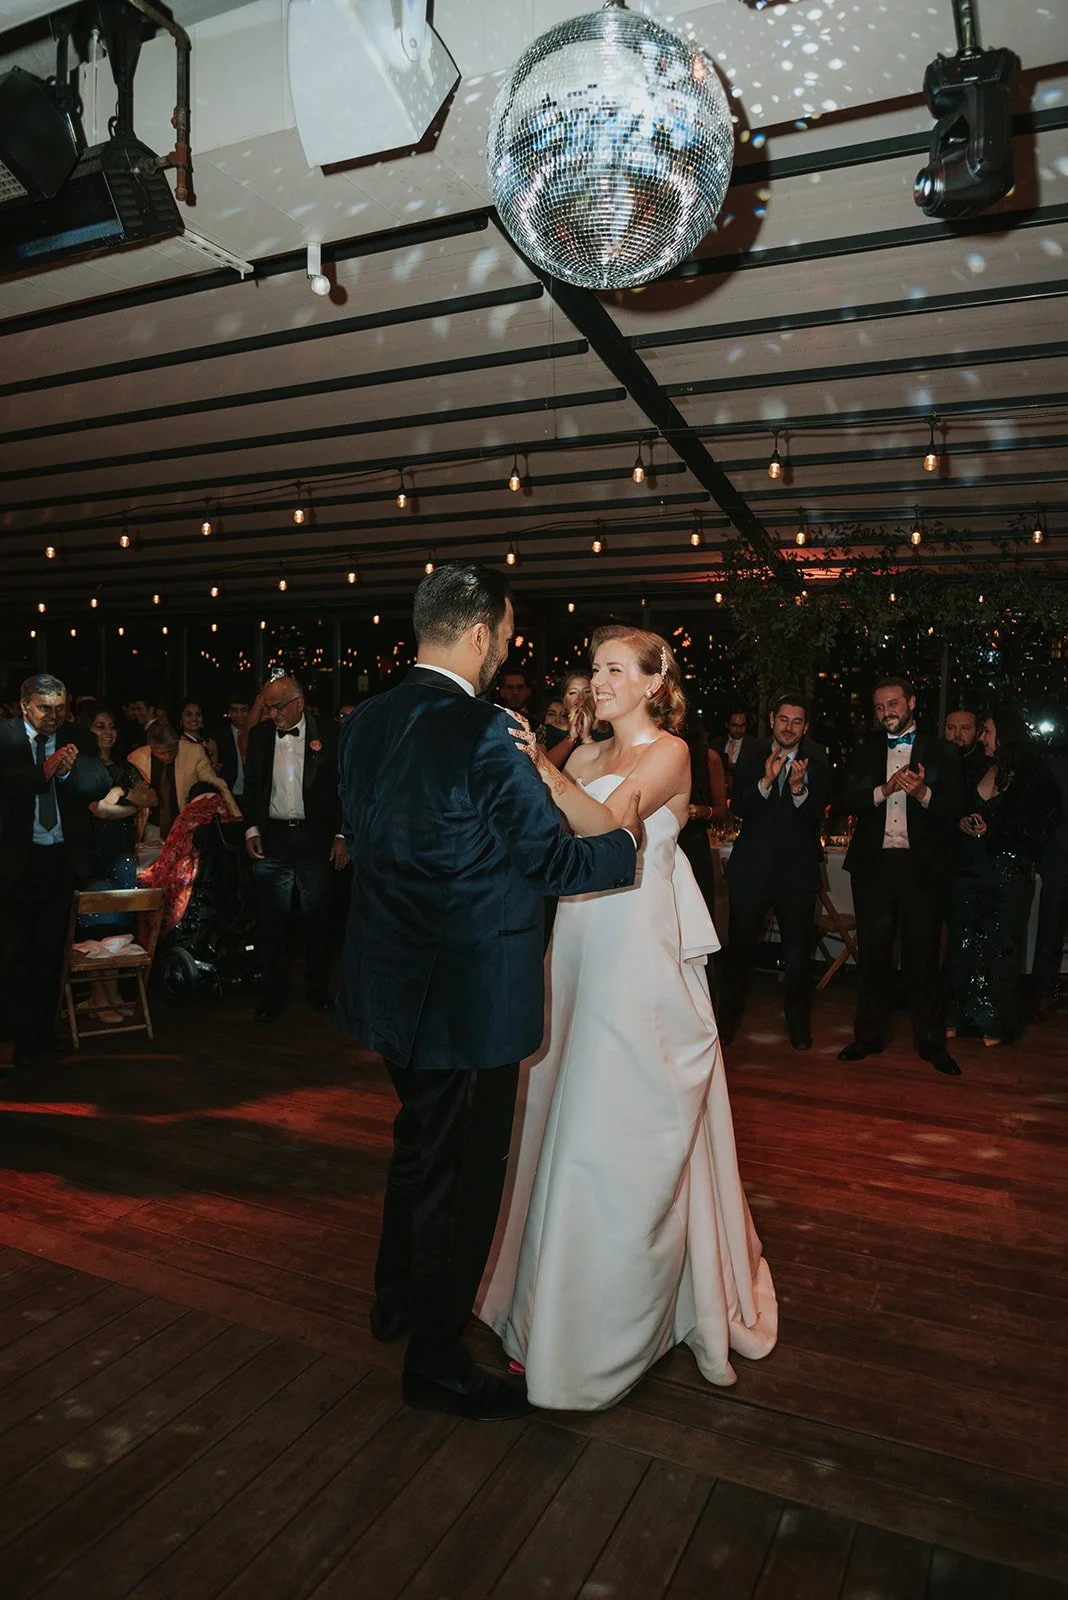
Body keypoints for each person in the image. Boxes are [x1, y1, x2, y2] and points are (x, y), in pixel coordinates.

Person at [337, 564, 638, 1422]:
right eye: (505, 637)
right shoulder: (486, 731)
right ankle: (434, 1361)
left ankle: (395, 1299)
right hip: (465, 997)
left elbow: (364, 835)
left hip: (387, 983)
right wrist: (632, 850)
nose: (508, 650)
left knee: (417, 1145)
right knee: (460, 1181)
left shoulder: (364, 722)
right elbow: (549, 860)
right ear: (477, 637)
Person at [478, 625, 777, 1411]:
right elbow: (546, 840)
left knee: (615, 1132)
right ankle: (546, 1311)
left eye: (615, 670)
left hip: (636, 959)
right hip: (574, 944)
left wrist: (540, 762)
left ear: (654, 682)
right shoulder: (580, 756)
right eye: (596, 669)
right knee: (557, 1117)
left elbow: (610, 830)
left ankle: (613, 1327)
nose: (599, 681)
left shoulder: (669, 752)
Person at [838, 676, 967, 1075]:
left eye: (892, 703)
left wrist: (923, 794)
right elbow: (844, 798)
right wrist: (884, 788)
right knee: (873, 957)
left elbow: (957, 806)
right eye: (878, 707)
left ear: (911, 702)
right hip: (875, 869)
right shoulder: (864, 751)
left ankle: (931, 1043)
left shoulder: (942, 751)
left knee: (923, 958)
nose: (885, 712)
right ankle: (868, 1038)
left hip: (922, 871)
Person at [0, 674, 111, 1067]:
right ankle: (11, 1035)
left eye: (60, 708)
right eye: (45, 708)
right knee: (12, 953)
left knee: (50, 953)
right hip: (15, 863)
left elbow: (100, 781)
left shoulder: (77, 737)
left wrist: (66, 773)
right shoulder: (5, 736)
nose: (54, 716)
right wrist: (43, 771)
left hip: (61, 860)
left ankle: (39, 1038)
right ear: (24, 705)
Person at [719, 692, 832, 1051]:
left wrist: (800, 791)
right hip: (752, 870)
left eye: (797, 721)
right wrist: (766, 782)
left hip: (796, 874)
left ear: (806, 726)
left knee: (798, 955)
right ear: (772, 720)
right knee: (738, 950)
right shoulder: (751, 757)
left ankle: (798, 1025)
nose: (789, 727)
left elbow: (816, 816)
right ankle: (726, 1020)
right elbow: (739, 808)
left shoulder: (819, 761)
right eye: (783, 720)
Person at [944, 707, 1059, 1045]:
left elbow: (1043, 825)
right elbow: (959, 807)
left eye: (987, 731)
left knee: (1002, 946)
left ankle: (995, 1022)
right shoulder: (977, 767)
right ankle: (956, 1015)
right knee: (962, 941)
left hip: (1009, 872)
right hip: (969, 870)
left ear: (1005, 734)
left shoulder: (1035, 774)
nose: (981, 737)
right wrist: (963, 822)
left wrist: (994, 830)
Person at [244, 675, 347, 1019]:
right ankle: (272, 995)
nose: (271, 714)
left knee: (319, 922)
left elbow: (345, 787)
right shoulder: (260, 737)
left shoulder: (329, 734)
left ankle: (317, 990)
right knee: (272, 923)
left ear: (299, 703)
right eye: (268, 707)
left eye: (277, 706)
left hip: (315, 840)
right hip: (274, 839)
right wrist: (252, 829)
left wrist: (342, 834)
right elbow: (253, 787)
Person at [128, 720, 239, 843]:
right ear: (152, 748)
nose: (168, 756)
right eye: (162, 753)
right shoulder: (136, 758)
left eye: (172, 750)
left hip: (187, 827)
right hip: (152, 829)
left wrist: (236, 817)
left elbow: (217, 784)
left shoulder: (194, 752)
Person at [677, 707, 727, 920]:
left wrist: (703, 812)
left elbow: (721, 810)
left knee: (694, 913)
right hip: (666, 842)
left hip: (694, 843)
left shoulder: (709, 759)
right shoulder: (656, 754)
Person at [1032, 742, 1068, 1020]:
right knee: (1050, 930)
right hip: (1059, 859)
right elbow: (1043, 815)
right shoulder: (1055, 767)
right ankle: (1043, 993)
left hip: (1057, 858)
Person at [712, 709, 758, 798]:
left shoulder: (755, 746)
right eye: (734, 725)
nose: (739, 730)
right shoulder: (716, 744)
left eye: (742, 725)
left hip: (744, 794)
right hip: (720, 793)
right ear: (727, 725)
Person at [943, 704, 989, 787]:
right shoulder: (933, 760)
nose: (957, 734)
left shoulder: (987, 766)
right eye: (951, 728)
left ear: (978, 731)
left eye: (965, 728)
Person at [214, 694, 250, 797]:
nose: (239, 714)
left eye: (243, 710)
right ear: (229, 712)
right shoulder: (219, 736)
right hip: (228, 793)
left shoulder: (257, 734)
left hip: (253, 794)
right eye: (235, 710)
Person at [178, 700, 220, 772]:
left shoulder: (210, 743)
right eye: (189, 715)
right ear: (181, 719)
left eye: (198, 715)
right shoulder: (177, 744)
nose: (194, 719)